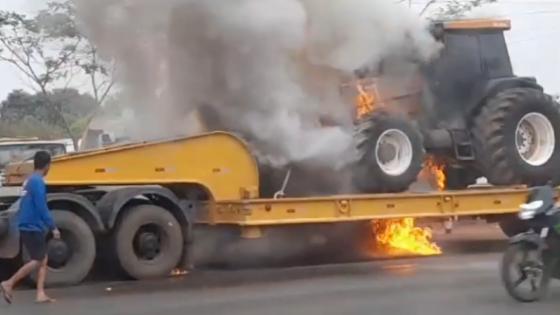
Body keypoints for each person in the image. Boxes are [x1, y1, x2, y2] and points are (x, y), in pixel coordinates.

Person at [0, 151, 60, 304]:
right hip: (32, 226)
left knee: (43, 258)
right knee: (38, 260)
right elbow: (42, 206)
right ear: (47, 166)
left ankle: (40, 293)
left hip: (27, 224)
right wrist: (53, 226)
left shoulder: (29, 180)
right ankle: (9, 283)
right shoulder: (38, 182)